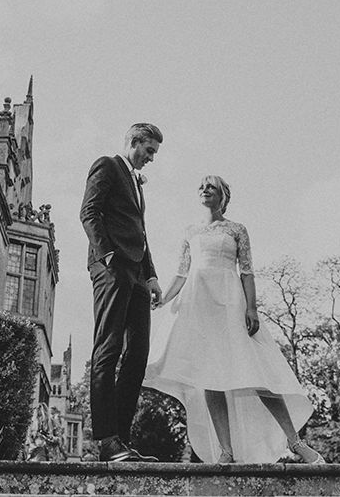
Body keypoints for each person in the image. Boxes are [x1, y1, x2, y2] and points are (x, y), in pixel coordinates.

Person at [144, 175, 324, 464]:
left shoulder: (237, 229)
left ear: (223, 196)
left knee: (258, 374)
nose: (204, 189)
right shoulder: (190, 231)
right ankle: (226, 451)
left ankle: (295, 442)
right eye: (201, 185)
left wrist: (251, 309)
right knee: (210, 378)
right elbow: (182, 273)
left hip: (230, 303)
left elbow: (247, 271)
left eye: (211, 186)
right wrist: (165, 298)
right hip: (199, 307)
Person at [80, 123, 163, 462]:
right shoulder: (107, 165)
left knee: (137, 355)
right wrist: (108, 256)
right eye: (149, 151)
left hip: (138, 275)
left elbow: (139, 232)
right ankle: (105, 440)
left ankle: (123, 442)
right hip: (112, 269)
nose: (152, 158)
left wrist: (152, 275)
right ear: (133, 142)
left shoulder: (136, 183)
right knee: (109, 348)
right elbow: (89, 213)